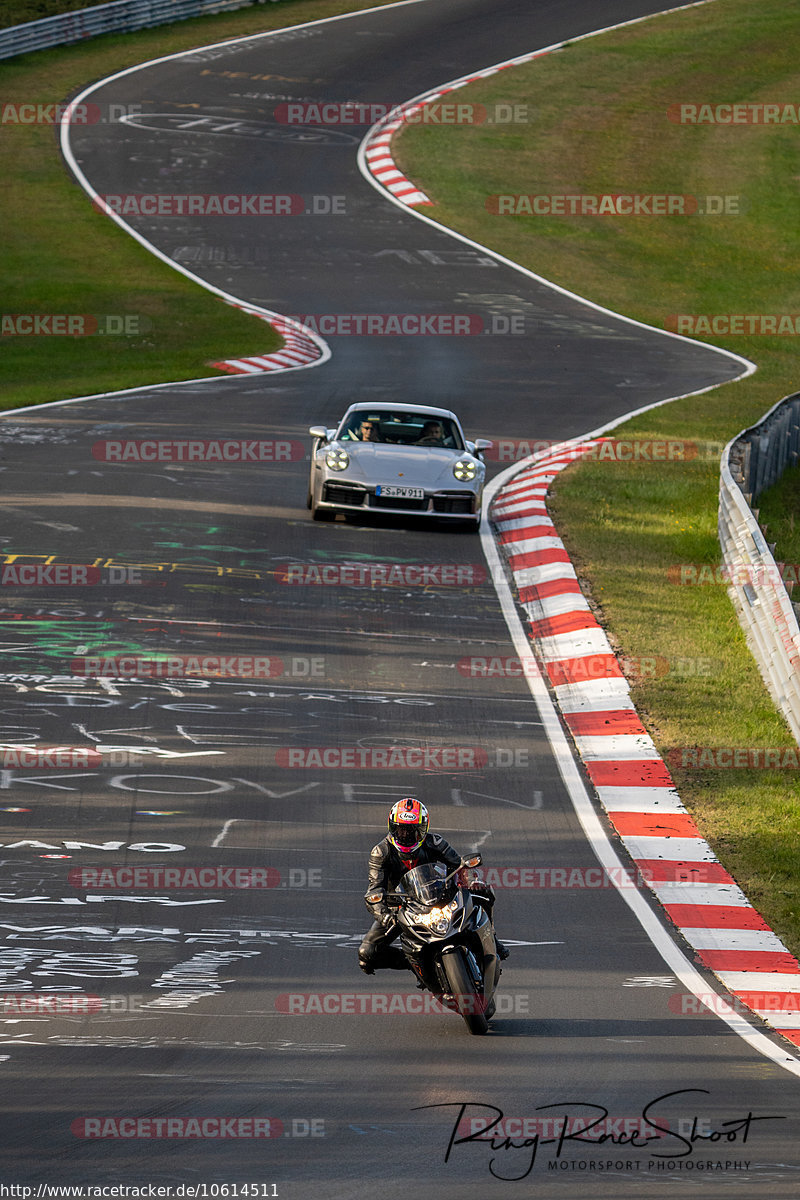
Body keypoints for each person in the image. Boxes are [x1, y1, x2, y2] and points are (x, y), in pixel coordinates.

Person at [358, 797, 509, 974]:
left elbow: (458, 865)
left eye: (412, 831)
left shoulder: (435, 842)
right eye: (400, 830)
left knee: (483, 891)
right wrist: (384, 915)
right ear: (391, 827)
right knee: (367, 954)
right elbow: (373, 891)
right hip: (401, 908)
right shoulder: (380, 852)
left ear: (423, 829)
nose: (405, 835)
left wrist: (469, 881)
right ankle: (417, 967)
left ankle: (492, 938)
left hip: (439, 898)